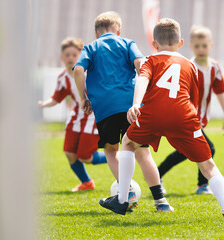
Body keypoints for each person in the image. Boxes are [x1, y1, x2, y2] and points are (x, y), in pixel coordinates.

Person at [99, 18, 224, 221]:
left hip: (153, 113)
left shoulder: (150, 60)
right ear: (181, 43)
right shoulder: (190, 65)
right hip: (183, 115)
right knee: (208, 165)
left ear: (154, 44)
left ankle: (121, 200)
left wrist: (136, 104)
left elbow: (142, 78)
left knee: (128, 143)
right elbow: (193, 100)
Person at [74, 11, 172, 212]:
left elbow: (77, 70)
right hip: (131, 105)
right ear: (118, 30)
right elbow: (140, 64)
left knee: (111, 149)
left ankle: (124, 194)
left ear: (96, 33)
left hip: (105, 108)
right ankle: (161, 201)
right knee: (142, 151)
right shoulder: (127, 43)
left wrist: (84, 98)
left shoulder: (90, 48)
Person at [157, 25, 224, 195]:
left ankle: (157, 173)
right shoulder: (188, 66)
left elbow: (219, 91)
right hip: (188, 117)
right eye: (197, 46)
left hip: (201, 118)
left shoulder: (215, 67)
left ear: (210, 45)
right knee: (208, 149)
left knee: (185, 151)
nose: (201, 49)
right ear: (191, 46)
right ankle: (202, 185)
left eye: (204, 46)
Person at [38, 37, 107, 192]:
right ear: (62, 57)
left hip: (93, 118)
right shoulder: (63, 78)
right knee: (70, 153)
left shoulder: (90, 73)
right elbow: (56, 98)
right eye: (67, 55)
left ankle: (117, 158)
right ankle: (87, 183)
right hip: (75, 118)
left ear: (81, 55)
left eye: (74, 54)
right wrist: (43, 104)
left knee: (85, 156)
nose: (70, 58)